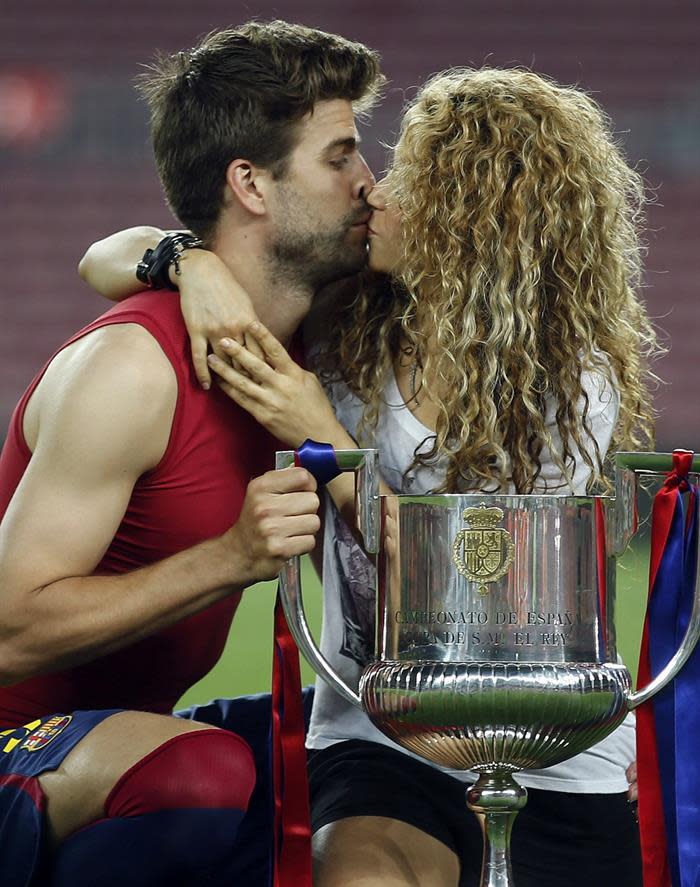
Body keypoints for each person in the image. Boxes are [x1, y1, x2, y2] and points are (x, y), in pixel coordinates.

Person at [80, 68, 659, 886]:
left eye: (411, 182)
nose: (377, 195)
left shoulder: (569, 386)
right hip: (379, 737)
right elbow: (101, 256)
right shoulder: (347, 321)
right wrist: (190, 266)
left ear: (471, 221)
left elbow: (471, 596)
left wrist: (323, 438)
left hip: (549, 756)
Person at [0, 20, 384, 886]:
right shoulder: (133, 369)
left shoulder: (300, 356)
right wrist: (230, 559)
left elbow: (110, 250)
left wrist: (178, 256)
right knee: (205, 776)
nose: (369, 183)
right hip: (14, 749)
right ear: (249, 183)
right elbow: (6, 631)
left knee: (384, 760)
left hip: (123, 734)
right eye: (340, 157)